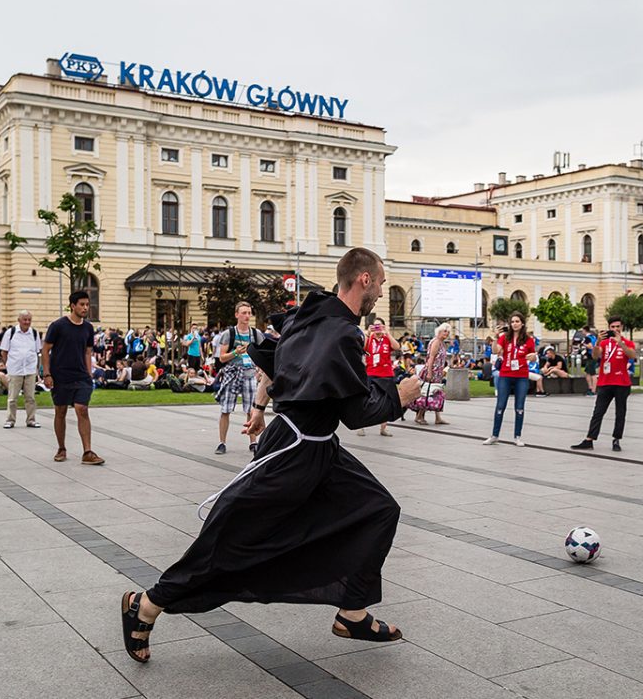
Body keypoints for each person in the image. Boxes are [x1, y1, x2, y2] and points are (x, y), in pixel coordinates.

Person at [120, 247, 421, 663]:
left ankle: (352, 612)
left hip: (317, 448)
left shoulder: (313, 314)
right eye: (382, 282)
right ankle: (146, 605)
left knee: (379, 509)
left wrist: (260, 406)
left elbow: (273, 360)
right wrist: (400, 396)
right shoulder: (342, 332)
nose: (383, 291)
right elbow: (356, 413)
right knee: (232, 542)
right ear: (364, 279)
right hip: (294, 453)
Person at [42, 291, 105, 465]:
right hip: (60, 375)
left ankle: (87, 452)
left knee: (81, 408)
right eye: (82, 304)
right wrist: (47, 374)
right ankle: (61, 448)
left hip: (81, 376)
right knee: (60, 411)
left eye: (87, 305)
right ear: (73, 305)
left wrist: (89, 374)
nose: (86, 308)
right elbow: (45, 350)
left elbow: (87, 351)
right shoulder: (58, 326)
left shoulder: (88, 328)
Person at [571, 316, 637, 452]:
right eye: (612, 327)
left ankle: (616, 439)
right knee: (598, 412)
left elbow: (632, 355)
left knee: (620, 412)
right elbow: (595, 356)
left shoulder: (627, 342)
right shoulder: (605, 343)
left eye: (617, 327)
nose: (615, 329)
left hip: (622, 383)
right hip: (605, 382)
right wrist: (598, 341)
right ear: (609, 328)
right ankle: (589, 439)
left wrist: (621, 344)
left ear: (622, 327)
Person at [213, 302, 265, 455]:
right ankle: (222, 442)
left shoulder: (256, 334)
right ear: (236, 315)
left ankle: (253, 442)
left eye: (249, 313)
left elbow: (263, 355)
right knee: (226, 409)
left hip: (249, 373)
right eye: (244, 313)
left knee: (251, 409)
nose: (247, 316)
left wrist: (260, 371)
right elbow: (221, 358)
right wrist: (235, 353)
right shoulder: (229, 334)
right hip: (232, 373)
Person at [483, 313, 536, 446]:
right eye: (512, 321)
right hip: (506, 375)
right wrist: (496, 337)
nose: (514, 324)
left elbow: (533, 355)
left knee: (519, 407)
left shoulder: (528, 339)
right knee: (500, 406)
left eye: (517, 321)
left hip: (521, 376)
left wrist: (533, 357)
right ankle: (494, 435)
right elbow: (495, 351)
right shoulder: (505, 338)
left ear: (522, 323)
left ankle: (517, 436)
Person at [1, 310, 41, 429]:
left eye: (29, 319)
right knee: (12, 397)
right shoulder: (11, 332)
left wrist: (37, 369)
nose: (27, 322)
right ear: (19, 320)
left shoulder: (34, 333)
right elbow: (4, 351)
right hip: (15, 369)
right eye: (25, 319)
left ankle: (31, 419)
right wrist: (8, 364)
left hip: (29, 369)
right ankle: (10, 420)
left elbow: (37, 351)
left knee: (30, 397)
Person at [358, 317, 399, 437]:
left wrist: (388, 333)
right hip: (371, 372)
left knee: (386, 400)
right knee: (366, 400)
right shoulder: (370, 339)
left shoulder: (386, 339)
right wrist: (367, 333)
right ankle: (361, 426)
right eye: (375, 326)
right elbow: (360, 346)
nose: (377, 328)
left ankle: (383, 428)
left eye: (379, 326)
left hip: (386, 373)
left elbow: (397, 347)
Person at [413, 323, 451, 426]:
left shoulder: (441, 343)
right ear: (439, 331)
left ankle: (437, 417)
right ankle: (419, 416)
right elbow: (431, 358)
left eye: (448, 332)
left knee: (436, 392)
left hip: (437, 372)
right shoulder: (436, 342)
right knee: (428, 393)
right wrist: (429, 372)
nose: (447, 333)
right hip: (432, 371)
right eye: (445, 331)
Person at [579, 326, 598, 396]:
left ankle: (593, 390)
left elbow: (590, 346)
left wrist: (583, 344)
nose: (582, 332)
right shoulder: (593, 337)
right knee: (587, 372)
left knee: (593, 373)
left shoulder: (587, 338)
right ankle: (590, 388)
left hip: (591, 357)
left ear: (585, 330)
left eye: (582, 331)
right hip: (594, 355)